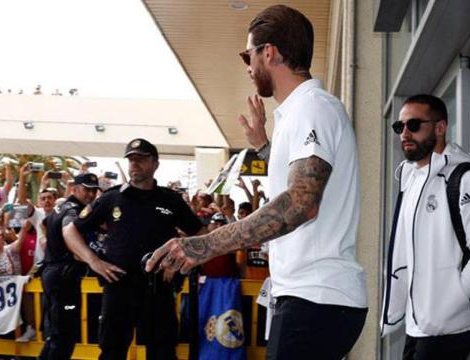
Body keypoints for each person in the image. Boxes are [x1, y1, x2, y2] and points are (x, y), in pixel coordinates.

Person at [145, 6, 368, 359]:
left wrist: (204, 245)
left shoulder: (314, 108)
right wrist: (265, 146)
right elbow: (299, 185)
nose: (247, 67)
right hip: (307, 298)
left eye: (247, 55)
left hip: (315, 299)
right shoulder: (300, 113)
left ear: (269, 52)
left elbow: (301, 202)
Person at [380, 94, 470, 359]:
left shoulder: (467, 180)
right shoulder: (410, 179)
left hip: (452, 328)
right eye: (399, 127)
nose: (404, 133)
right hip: (417, 326)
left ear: (440, 127)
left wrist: (450, 302)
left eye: (414, 125)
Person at [62, 138, 204, 360]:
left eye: (140, 159)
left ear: (155, 164)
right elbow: (70, 231)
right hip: (119, 287)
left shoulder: (170, 200)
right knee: (111, 351)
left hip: (159, 288)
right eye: (131, 160)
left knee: (163, 352)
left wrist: (178, 261)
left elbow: (200, 234)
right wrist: (94, 261)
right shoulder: (112, 198)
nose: (134, 164)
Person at [38, 173, 100, 360]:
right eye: (86, 189)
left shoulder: (61, 205)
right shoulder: (75, 211)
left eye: (94, 190)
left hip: (55, 273)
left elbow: (44, 224)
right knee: (65, 335)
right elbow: (69, 230)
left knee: (56, 334)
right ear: (75, 189)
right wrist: (89, 257)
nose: (91, 194)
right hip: (63, 275)